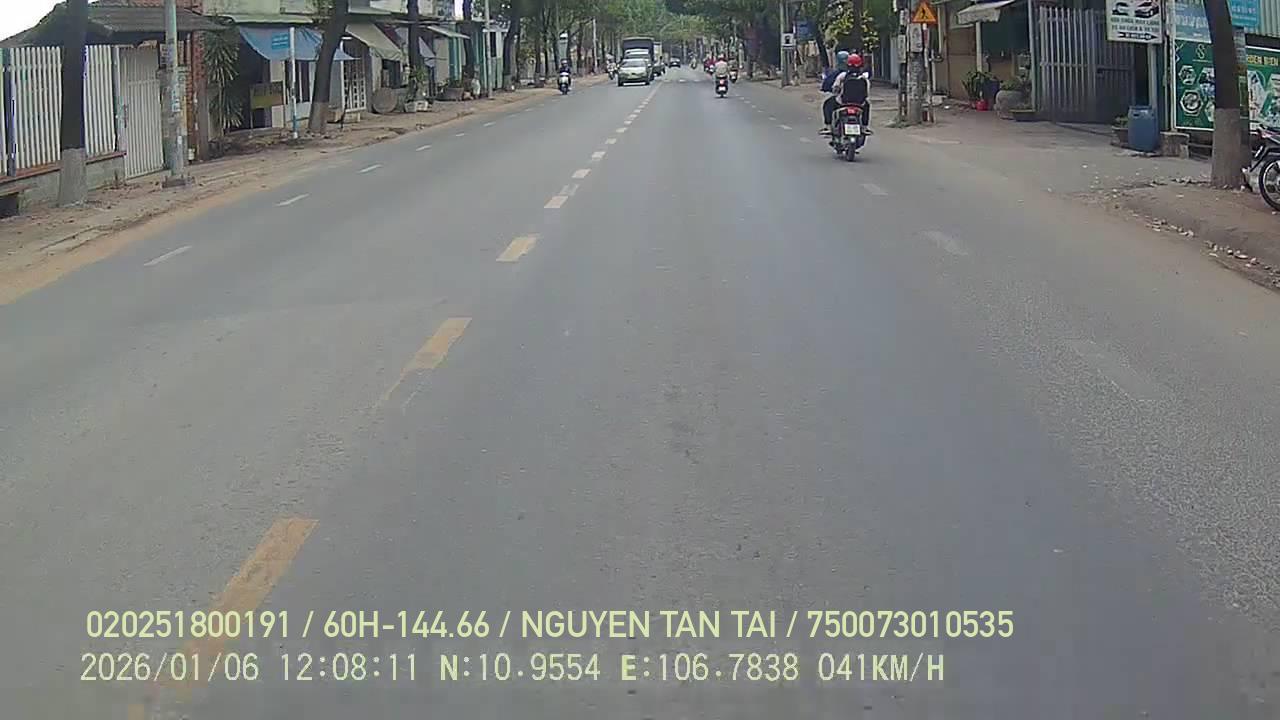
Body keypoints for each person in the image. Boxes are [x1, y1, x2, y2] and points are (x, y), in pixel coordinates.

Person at [821, 53, 872, 135]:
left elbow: (835, 87)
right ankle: (864, 127)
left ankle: (828, 127)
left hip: (843, 102)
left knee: (827, 104)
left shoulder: (843, 75)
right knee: (867, 106)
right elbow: (867, 93)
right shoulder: (864, 78)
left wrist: (835, 91)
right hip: (860, 104)